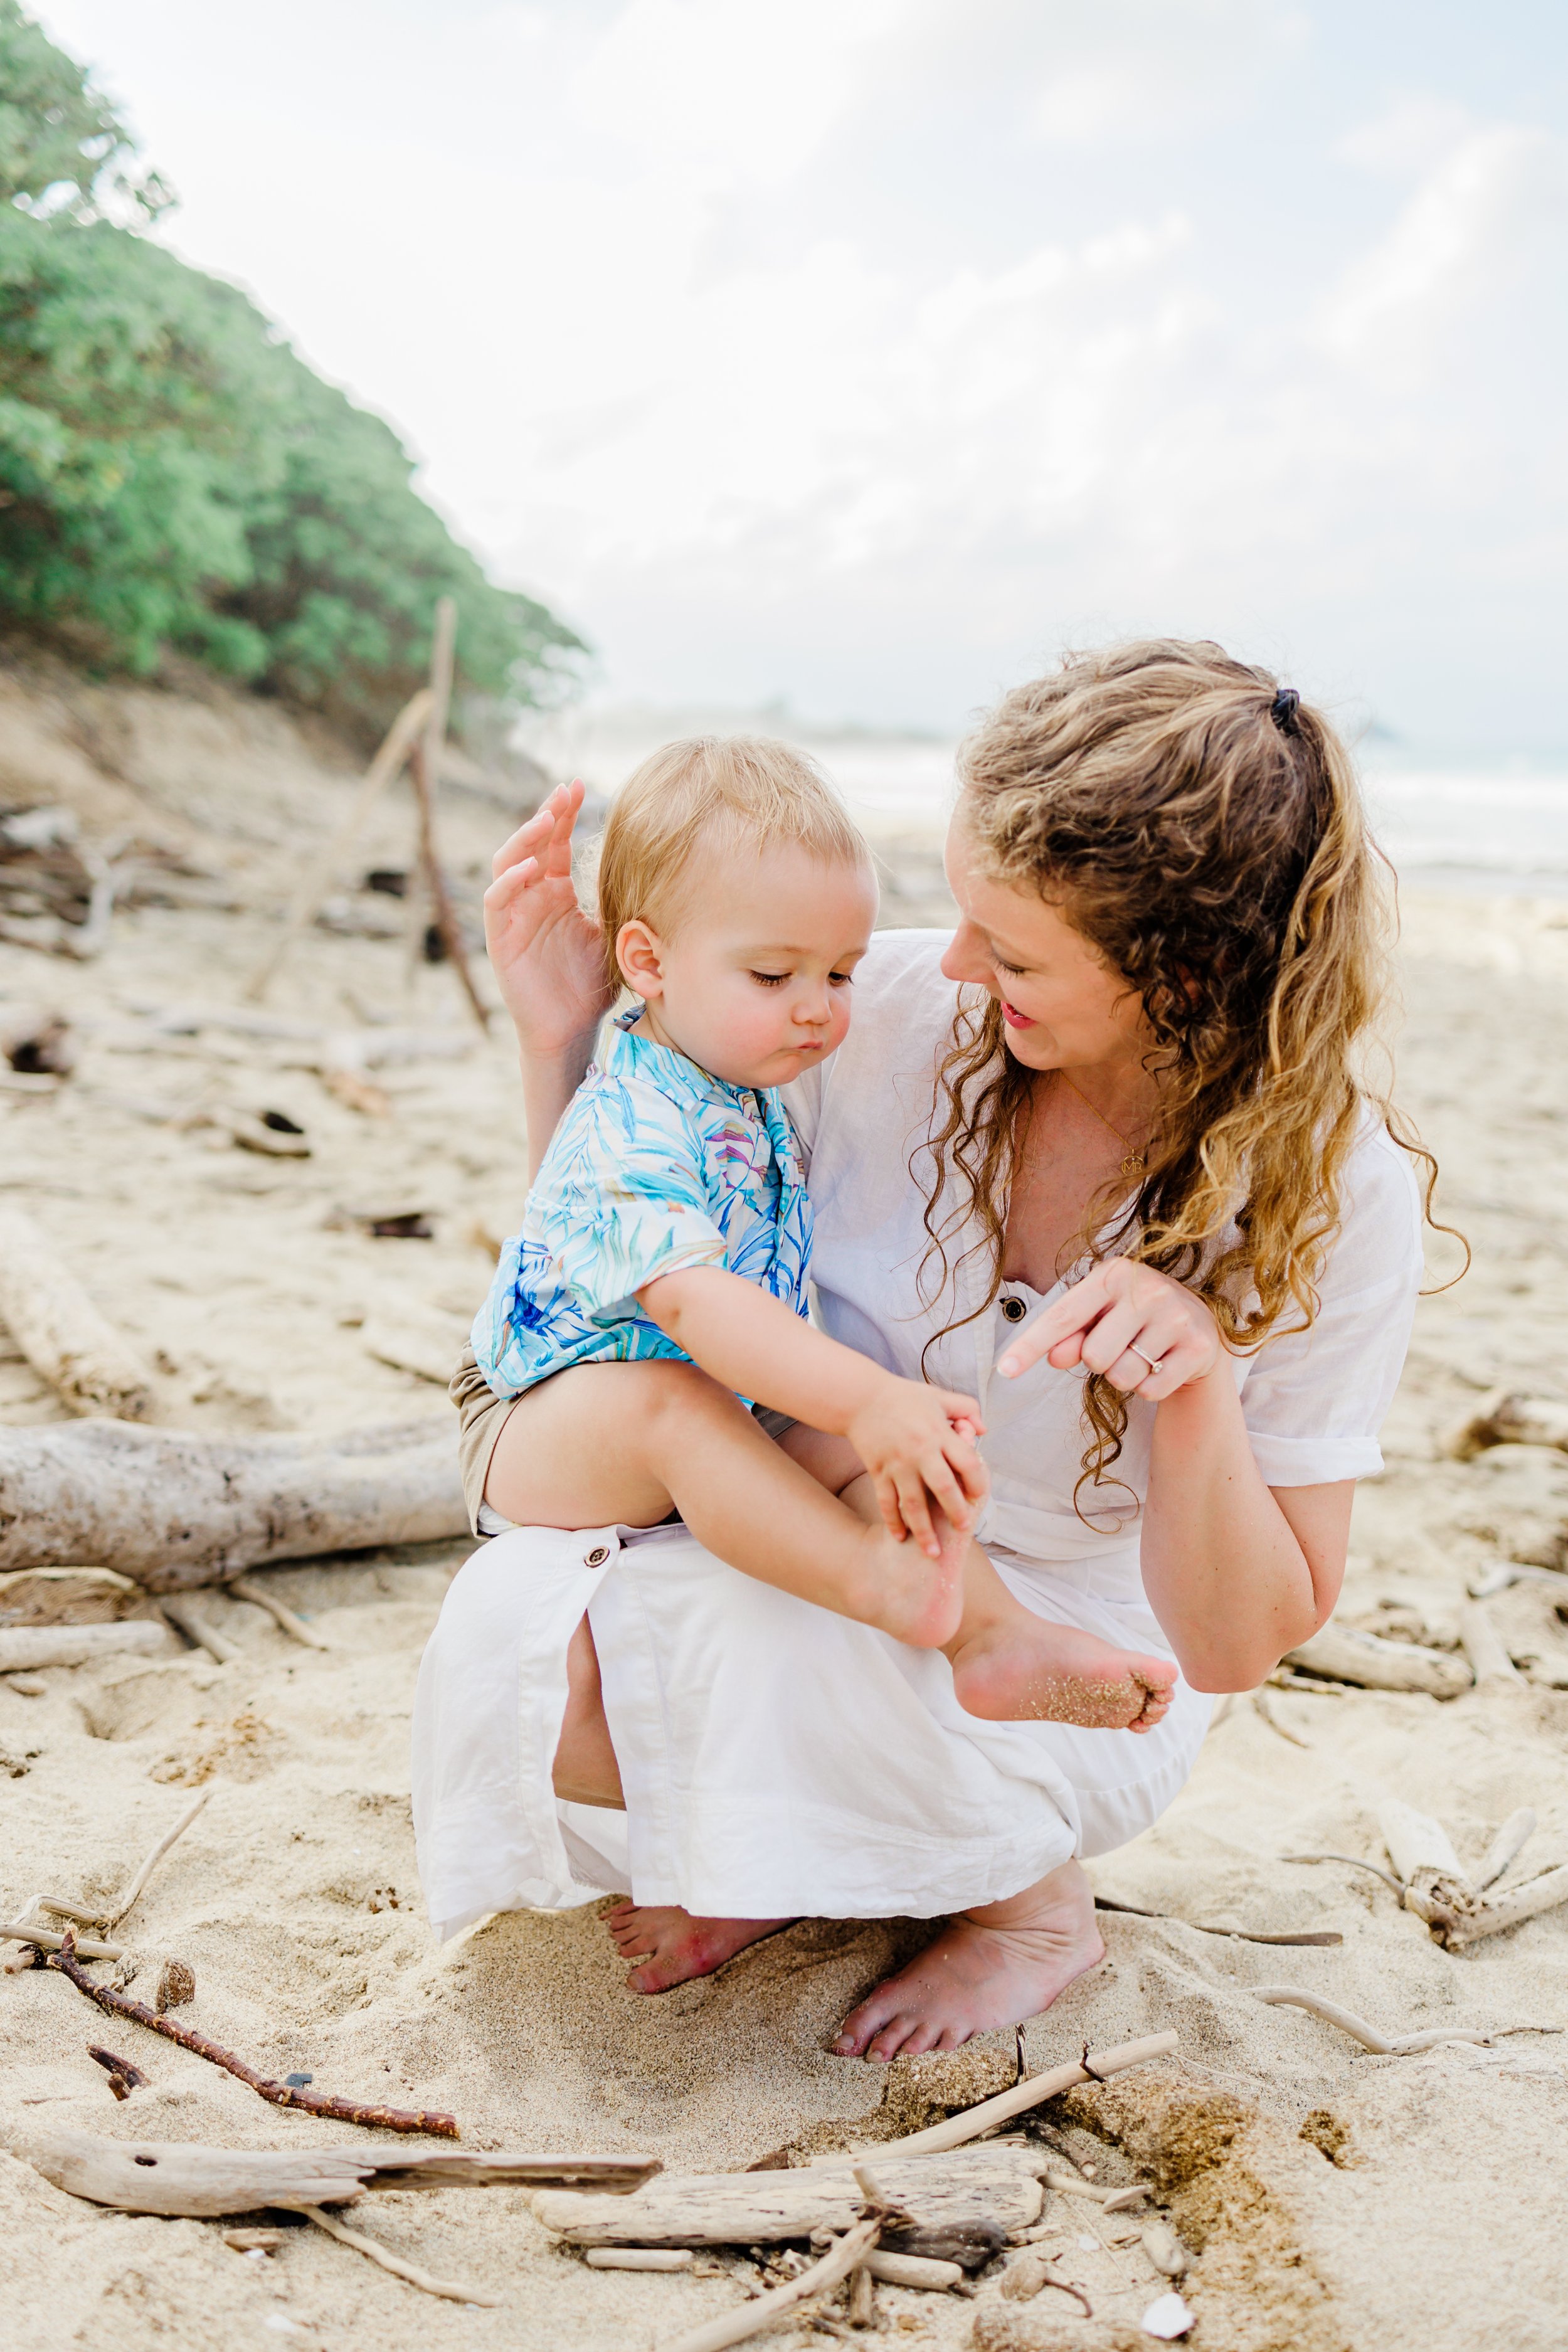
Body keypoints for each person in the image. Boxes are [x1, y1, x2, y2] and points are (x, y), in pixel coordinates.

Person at [413, 639, 1433, 2063]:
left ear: (1182, 971)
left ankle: (1028, 1915)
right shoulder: (863, 1009)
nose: (950, 966)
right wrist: (568, 1039)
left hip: (1078, 1632)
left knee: (870, 1646)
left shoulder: (1336, 1192)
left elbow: (1234, 1644)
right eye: (960, 915)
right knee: (539, 1661)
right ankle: (782, 1871)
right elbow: (619, 1270)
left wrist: (1196, 1384)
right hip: (822, 1512)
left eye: (1009, 953)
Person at [465, 732, 1174, 1727]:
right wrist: (871, 1398)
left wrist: (863, 1427)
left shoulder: (739, 1080)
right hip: (544, 1418)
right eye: (773, 977)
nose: (818, 1012)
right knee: (686, 1404)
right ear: (647, 960)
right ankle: (881, 1589)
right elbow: (691, 1301)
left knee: (843, 1458)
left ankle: (992, 1636)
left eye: (840, 975)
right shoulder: (632, 1114)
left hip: (718, 1404)